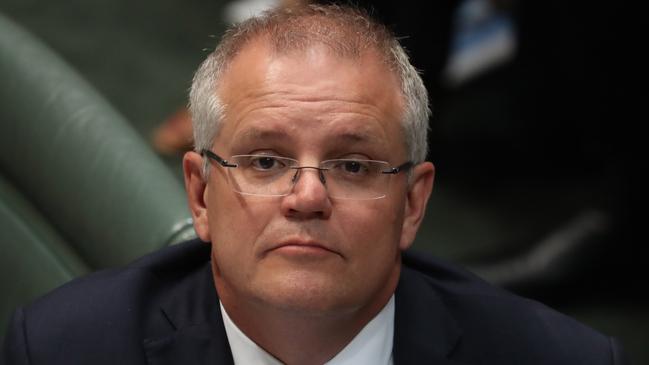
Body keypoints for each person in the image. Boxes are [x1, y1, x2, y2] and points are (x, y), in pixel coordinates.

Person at [1, 4, 629, 365]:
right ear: (200, 196)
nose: (306, 197)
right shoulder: (63, 349)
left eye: (353, 167)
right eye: (266, 162)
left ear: (413, 203)